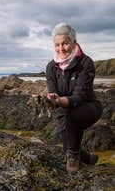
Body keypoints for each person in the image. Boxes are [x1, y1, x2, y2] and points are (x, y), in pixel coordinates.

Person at [46, 23, 103, 172]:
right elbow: (53, 92)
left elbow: (79, 96)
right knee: (67, 146)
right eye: (57, 45)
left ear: (74, 42)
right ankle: (89, 158)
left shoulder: (86, 63)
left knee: (72, 119)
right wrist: (51, 99)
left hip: (88, 107)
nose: (61, 48)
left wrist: (59, 101)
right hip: (63, 110)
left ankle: (73, 158)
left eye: (65, 43)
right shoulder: (51, 67)